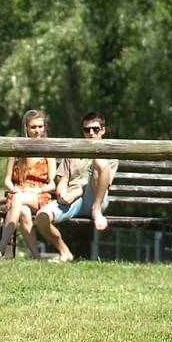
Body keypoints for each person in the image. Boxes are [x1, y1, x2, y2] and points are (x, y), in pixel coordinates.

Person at [35, 111, 119, 263]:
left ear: (103, 130)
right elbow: (63, 179)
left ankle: (96, 210)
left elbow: (104, 182)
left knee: (100, 163)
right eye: (87, 130)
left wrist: (78, 193)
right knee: (41, 218)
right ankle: (64, 252)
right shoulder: (74, 150)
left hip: (95, 197)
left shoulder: (110, 153)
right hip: (72, 199)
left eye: (95, 129)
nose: (91, 133)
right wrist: (61, 192)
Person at [0, 109, 56, 260]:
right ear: (25, 128)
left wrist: (35, 191)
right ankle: (37, 257)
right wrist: (14, 189)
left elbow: (52, 184)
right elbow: (7, 180)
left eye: (40, 126)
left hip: (39, 195)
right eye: (33, 127)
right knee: (23, 211)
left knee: (18, 200)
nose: (37, 131)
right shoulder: (16, 150)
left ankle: (0, 247)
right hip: (18, 193)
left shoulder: (49, 150)